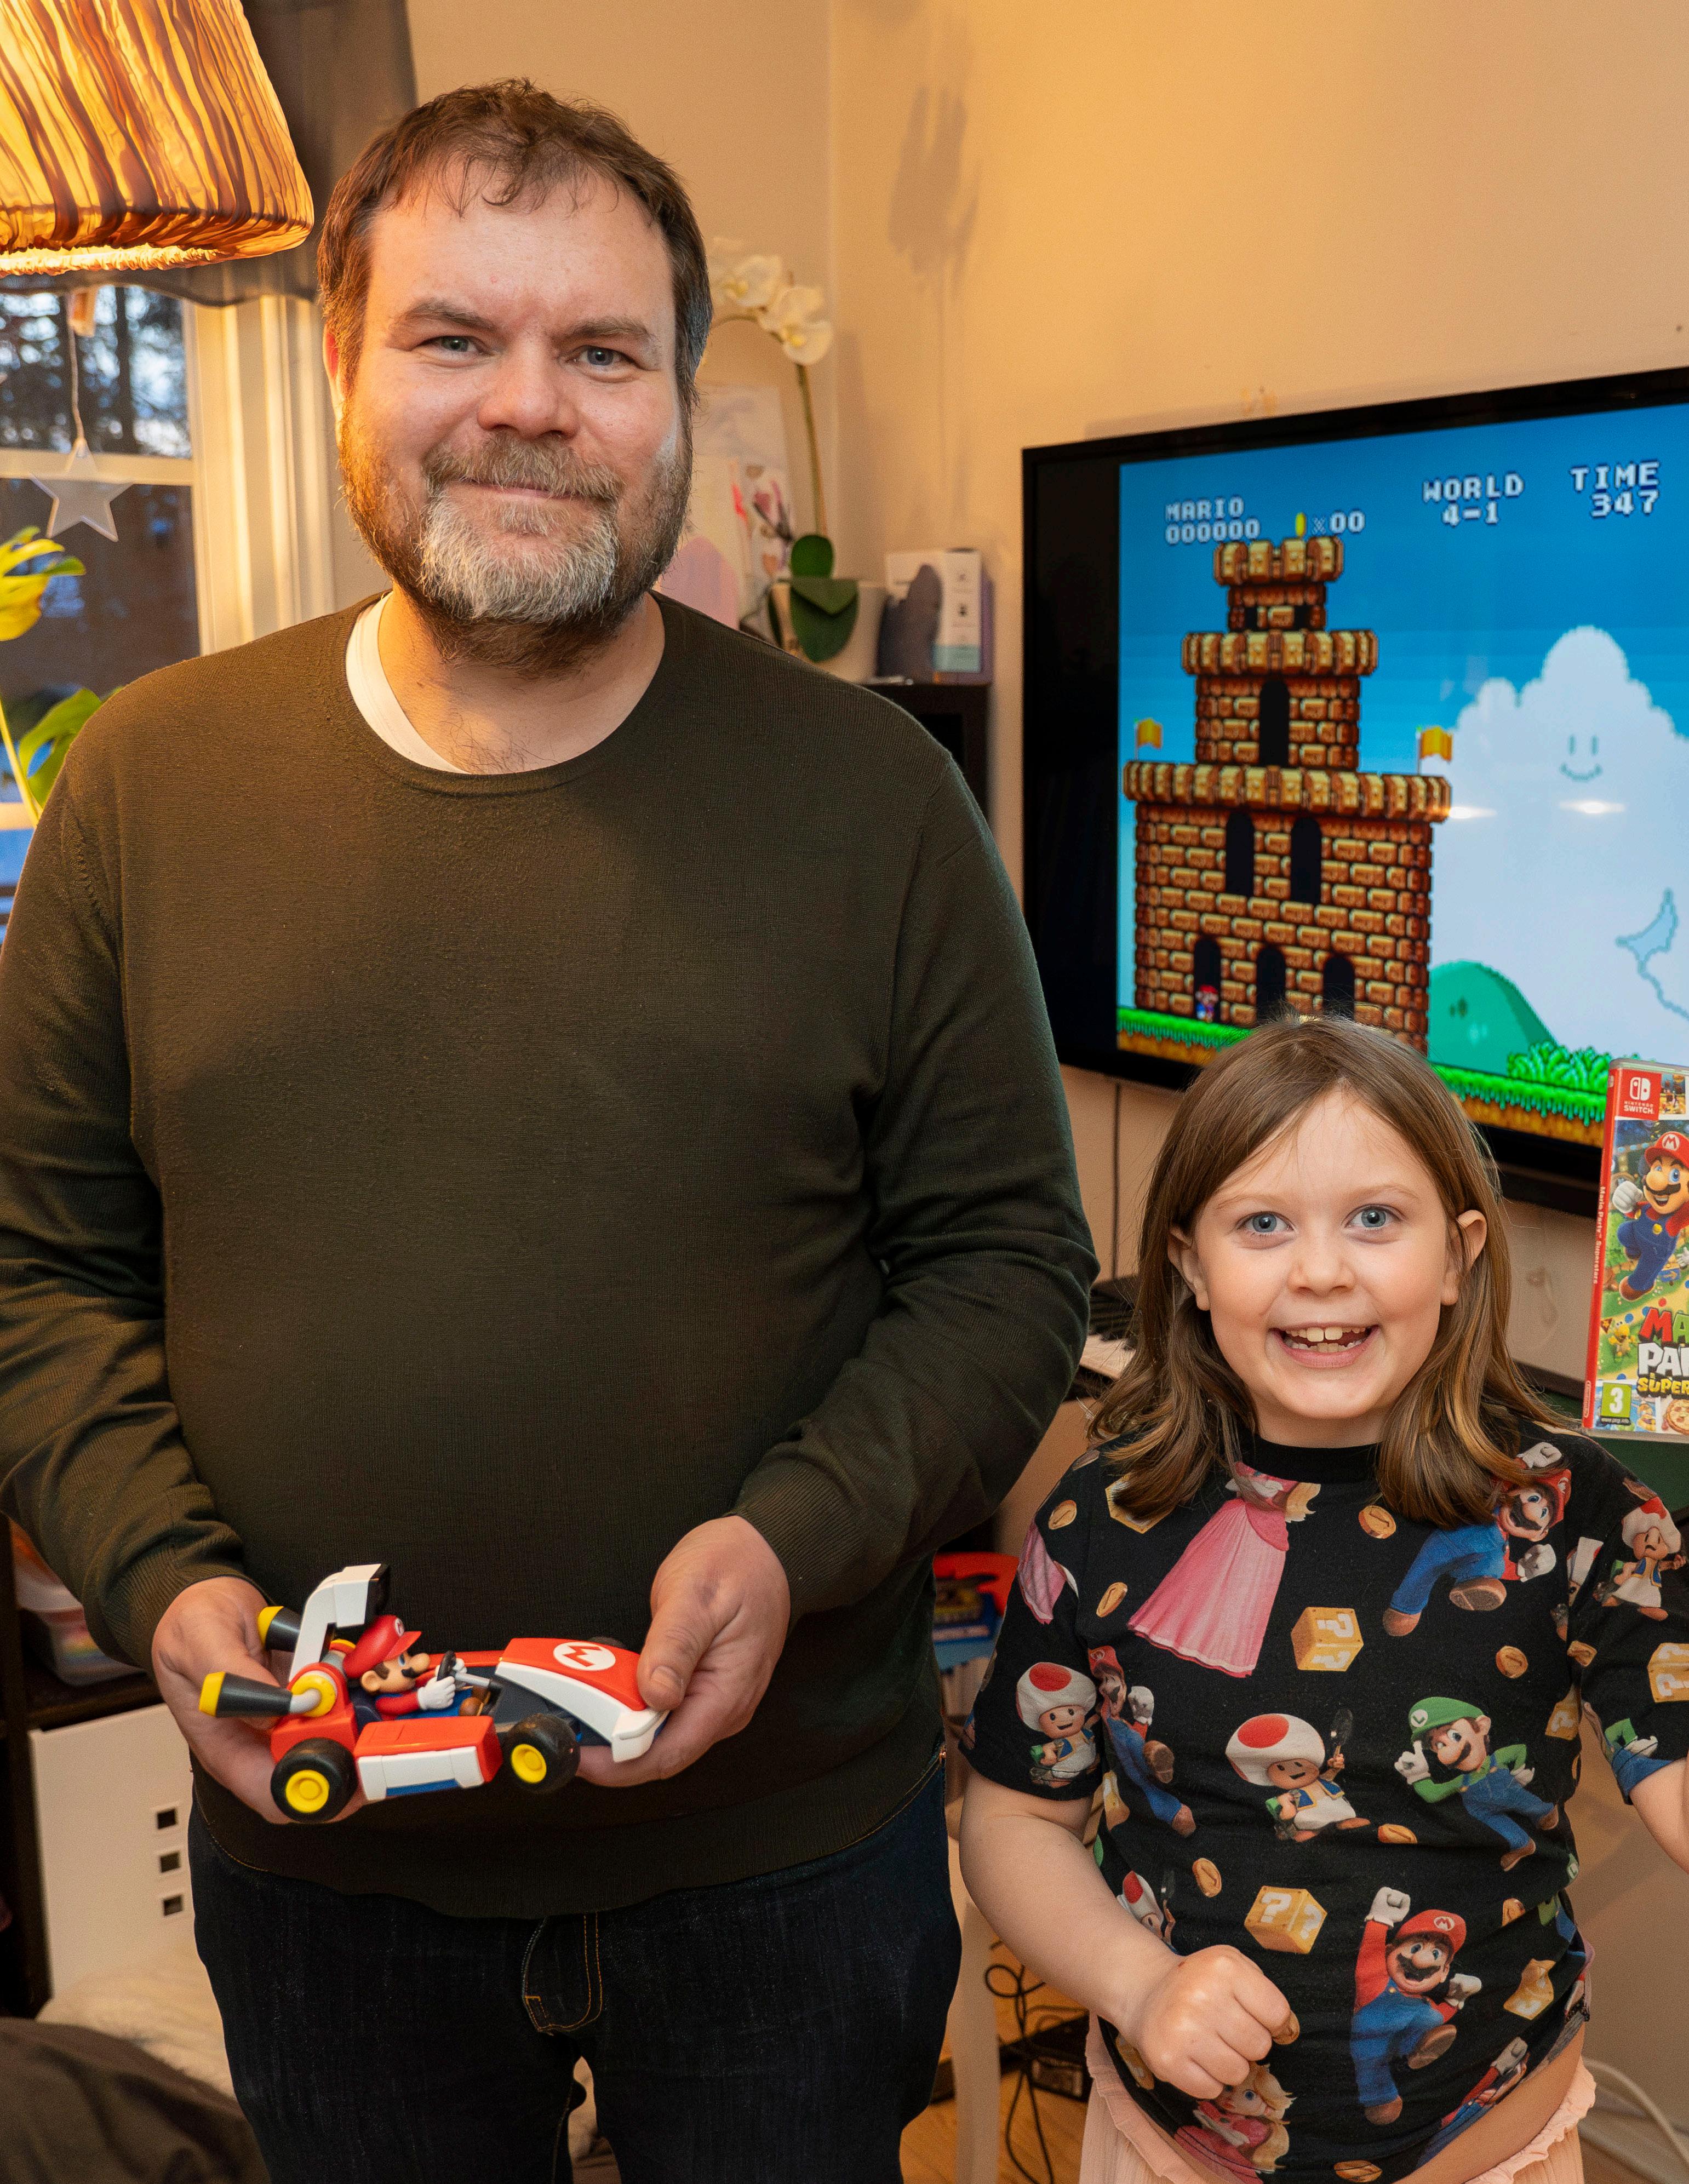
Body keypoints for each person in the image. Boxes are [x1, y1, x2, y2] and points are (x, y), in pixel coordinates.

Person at [0, 81, 1094, 2184]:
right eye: (454, 336)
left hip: (786, 1856)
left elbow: (1005, 1267)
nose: (528, 403)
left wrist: (789, 1540)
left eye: (599, 349)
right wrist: (162, 1577)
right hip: (331, 1866)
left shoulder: (873, 797)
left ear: (675, 396)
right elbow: (41, 1269)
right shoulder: (146, 786)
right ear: (342, 367)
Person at [960, 1013, 1689, 2184]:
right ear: (1191, 1264)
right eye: (1263, 1224)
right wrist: (1137, 1986)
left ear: (1457, 1255)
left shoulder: (1576, 1513)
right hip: (1171, 2151)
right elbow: (1014, 1823)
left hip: (1491, 2150)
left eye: (1375, 1219)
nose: (1320, 1271)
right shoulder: (1101, 1516)